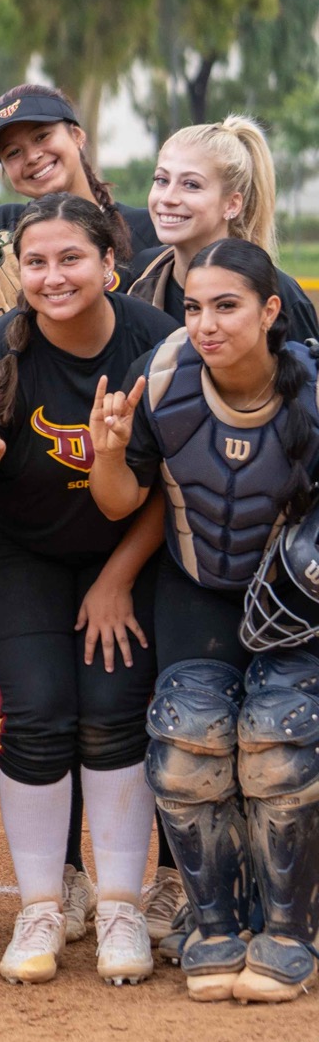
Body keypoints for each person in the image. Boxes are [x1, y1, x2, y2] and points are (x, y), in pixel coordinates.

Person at [0, 193, 178, 988]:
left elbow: (153, 495)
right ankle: (40, 905)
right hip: (17, 551)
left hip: (125, 547)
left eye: (72, 258)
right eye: (35, 261)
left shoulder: (156, 346)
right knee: (34, 709)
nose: (52, 275)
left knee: (111, 711)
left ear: (111, 264)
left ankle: (118, 907)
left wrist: (115, 579)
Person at [87, 236, 319, 1002]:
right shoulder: (161, 375)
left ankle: (289, 930)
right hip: (197, 582)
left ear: (270, 309)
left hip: (297, 602)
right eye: (193, 306)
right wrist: (110, 456)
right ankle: (213, 922)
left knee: (280, 742)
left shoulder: (312, 391)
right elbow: (121, 504)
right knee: (187, 744)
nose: (206, 324)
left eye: (227, 306)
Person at [0, 85, 159, 314]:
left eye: (41, 136)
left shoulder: (148, 230)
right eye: (13, 152)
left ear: (77, 136)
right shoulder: (2, 228)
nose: (33, 156)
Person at [130, 117, 318, 342]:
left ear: (232, 204)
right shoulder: (140, 274)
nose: (168, 198)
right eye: (161, 180)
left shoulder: (280, 294)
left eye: (191, 184)